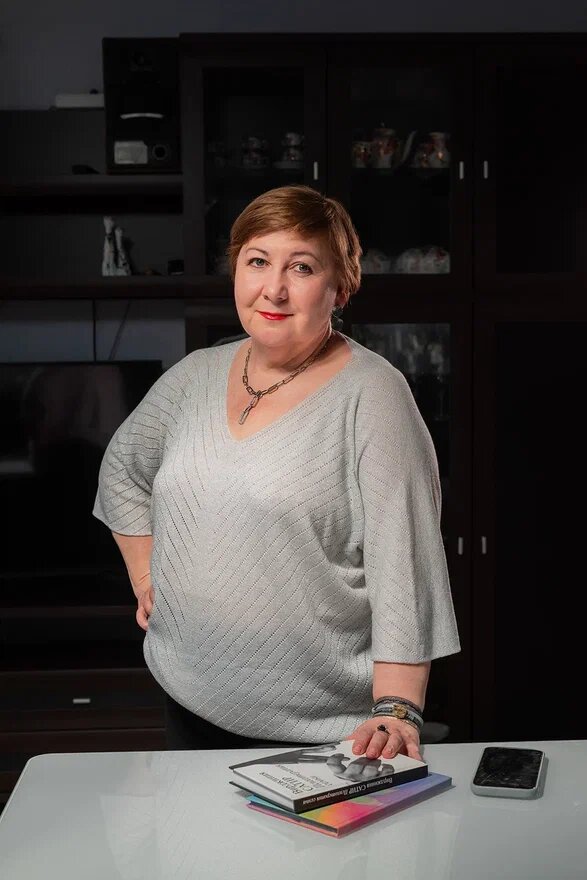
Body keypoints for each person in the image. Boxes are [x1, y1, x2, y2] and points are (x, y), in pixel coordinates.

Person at [93, 184, 460, 761]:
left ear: (341, 286)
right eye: (258, 261)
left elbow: (404, 564)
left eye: (302, 267)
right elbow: (122, 470)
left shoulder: (374, 395)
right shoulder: (194, 375)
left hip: (317, 733)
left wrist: (396, 708)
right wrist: (146, 576)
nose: (274, 288)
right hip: (186, 698)